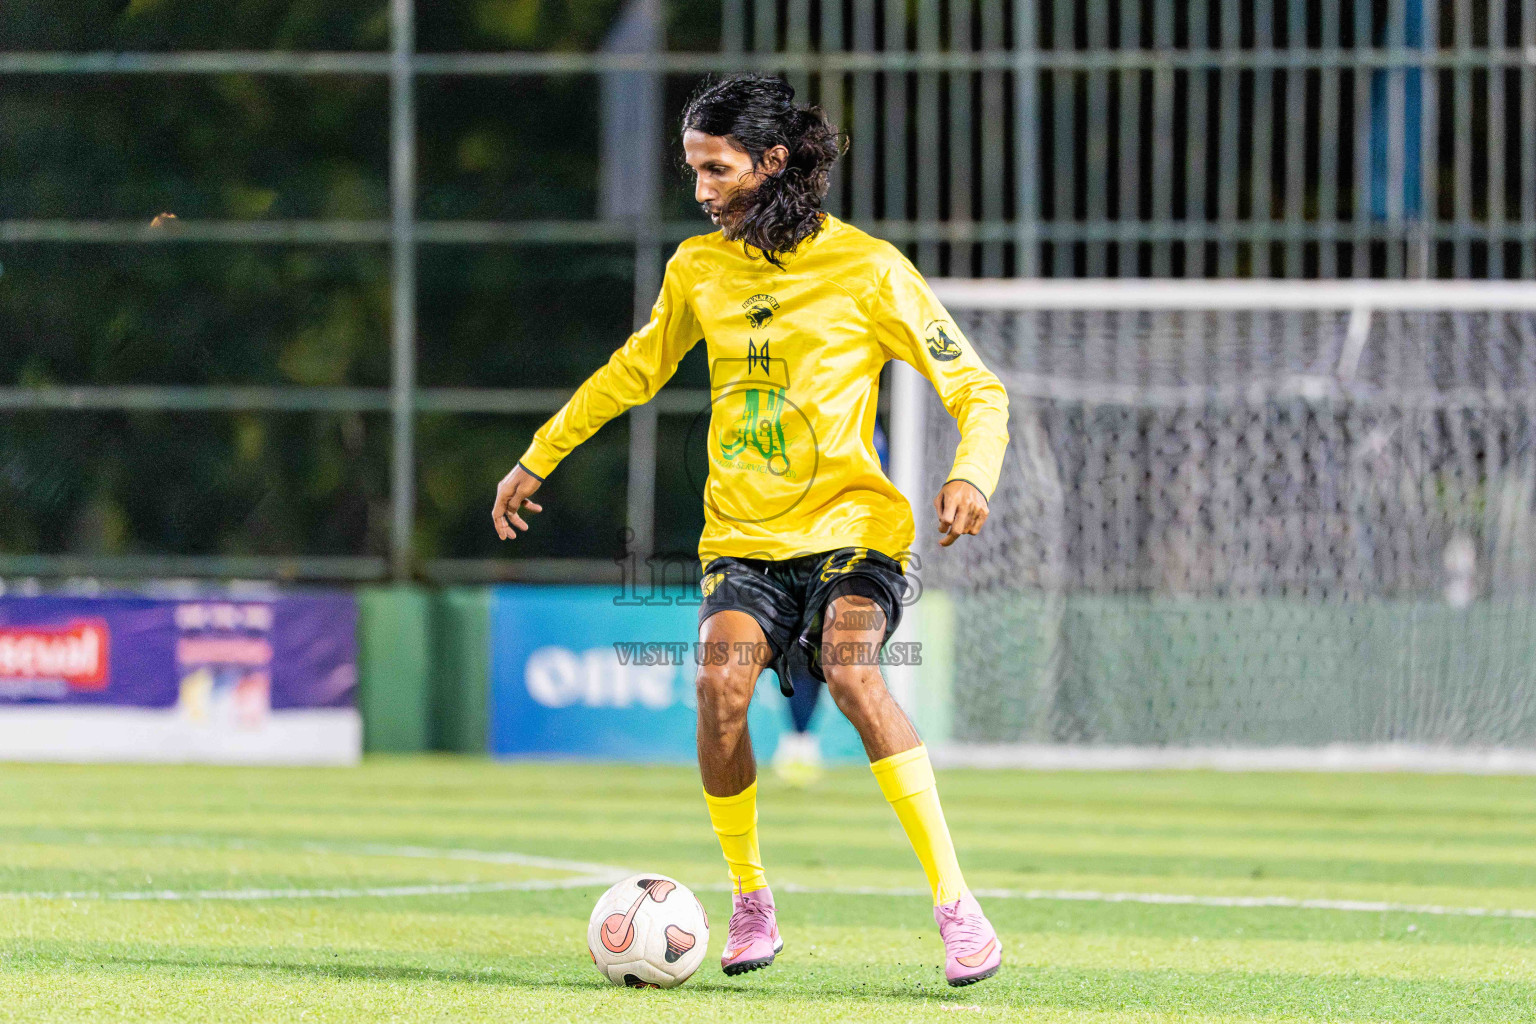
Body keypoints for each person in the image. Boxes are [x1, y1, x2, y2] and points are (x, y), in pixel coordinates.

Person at [492, 74, 1009, 987]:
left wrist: (972, 471)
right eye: (692, 169)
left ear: (772, 164)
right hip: (742, 539)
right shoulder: (698, 270)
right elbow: (632, 372)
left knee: (852, 672)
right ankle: (750, 899)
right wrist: (541, 452)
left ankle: (956, 905)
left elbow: (977, 387)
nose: (700, 189)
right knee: (718, 692)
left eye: (717, 169)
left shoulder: (871, 269)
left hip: (855, 528)